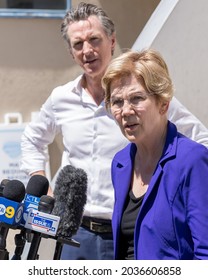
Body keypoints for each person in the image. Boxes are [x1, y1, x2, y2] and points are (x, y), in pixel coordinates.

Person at [20, 2, 208, 260]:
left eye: (94, 39)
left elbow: (200, 141)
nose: (87, 50)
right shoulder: (60, 98)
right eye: (78, 44)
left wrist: (172, 192)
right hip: (76, 232)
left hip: (129, 230)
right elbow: (32, 140)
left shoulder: (145, 92)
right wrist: (44, 188)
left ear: (111, 41)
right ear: (71, 51)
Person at [102, 48, 208, 260]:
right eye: (117, 102)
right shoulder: (121, 163)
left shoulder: (192, 160)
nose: (126, 111)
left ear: (163, 104)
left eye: (137, 98)